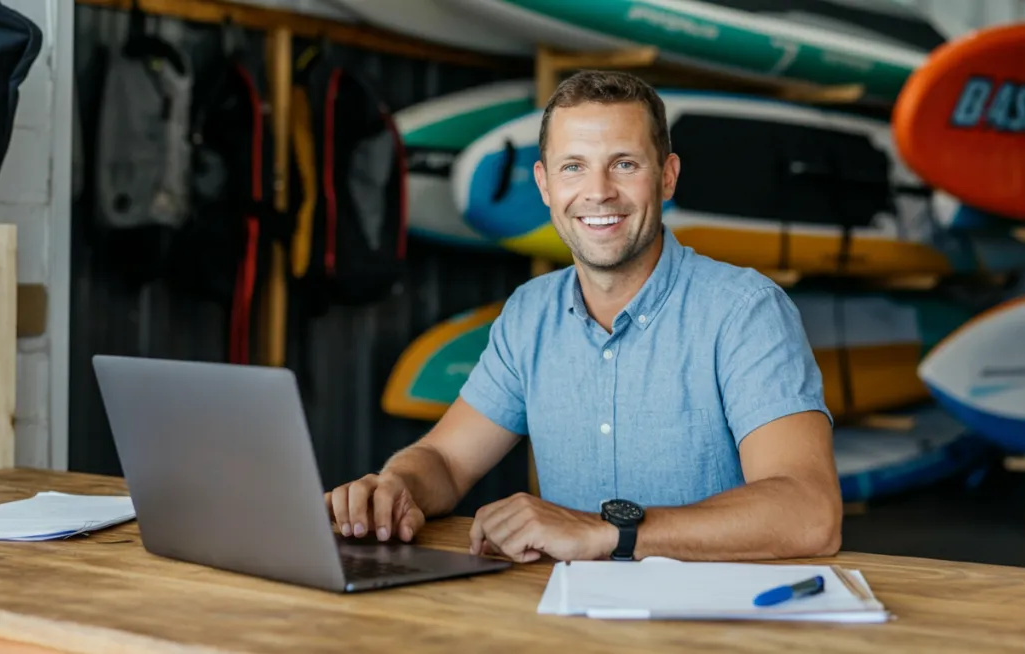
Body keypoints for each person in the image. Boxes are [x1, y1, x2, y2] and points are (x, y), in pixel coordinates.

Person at [326, 70, 843, 564]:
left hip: (714, 624)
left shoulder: (745, 311)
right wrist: (396, 485)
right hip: (570, 621)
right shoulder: (529, 314)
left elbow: (809, 512)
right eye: (573, 166)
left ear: (667, 177)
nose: (598, 191)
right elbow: (445, 460)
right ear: (545, 185)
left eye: (624, 164)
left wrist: (609, 532)